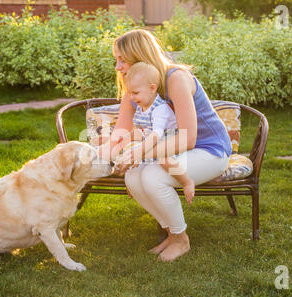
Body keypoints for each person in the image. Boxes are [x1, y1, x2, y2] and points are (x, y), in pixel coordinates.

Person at [98, 29, 232, 262]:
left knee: (152, 176)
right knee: (132, 177)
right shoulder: (135, 85)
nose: (117, 67)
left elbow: (187, 138)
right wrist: (97, 159)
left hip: (209, 150)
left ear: (139, 56)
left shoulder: (175, 78)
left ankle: (181, 240)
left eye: (122, 59)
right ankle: (172, 234)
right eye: (116, 60)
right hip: (175, 152)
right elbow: (120, 131)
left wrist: (138, 152)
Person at [113, 61, 196, 205]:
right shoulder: (142, 104)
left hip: (168, 140)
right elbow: (142, 129)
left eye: (135, 93)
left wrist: (140, 150)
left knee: (163, 159)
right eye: (130, 93)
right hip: (152, 139)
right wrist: (128, 138)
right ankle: (132, 184)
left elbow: (157, 133)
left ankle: (186, 181)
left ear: (152, 88)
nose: (132, 98)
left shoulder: (160, 109)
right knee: (129, 155)